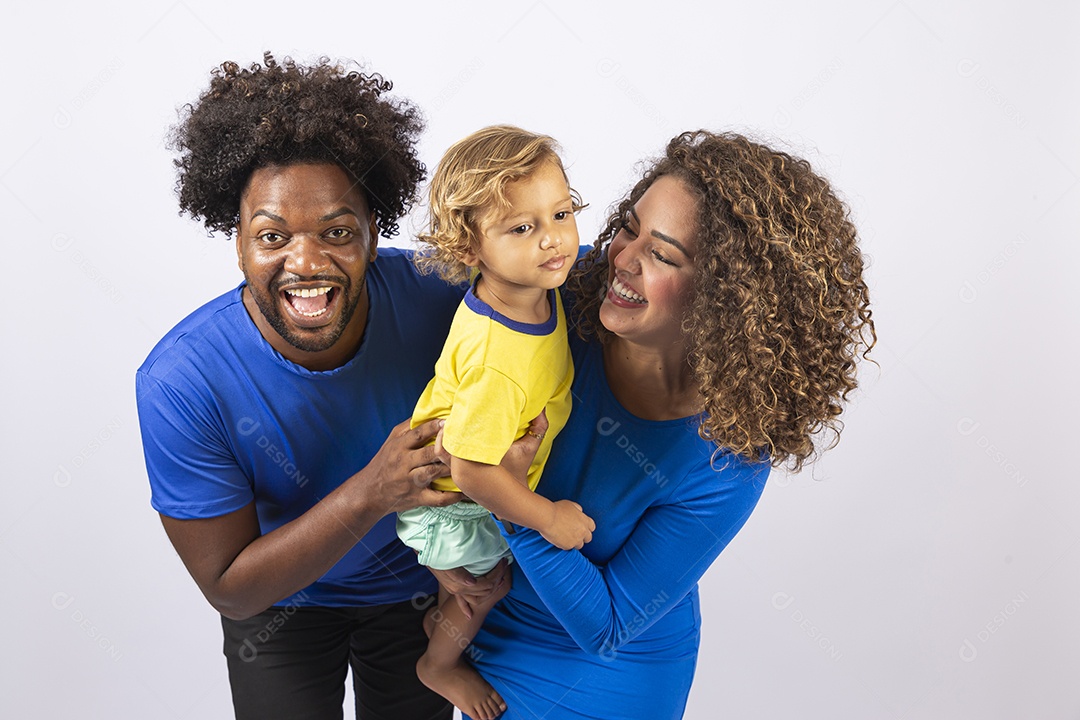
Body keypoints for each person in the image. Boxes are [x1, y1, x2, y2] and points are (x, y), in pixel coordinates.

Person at [135, 53, 515, 720]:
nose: (305, 262)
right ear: (238, 242)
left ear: (373, 235)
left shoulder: (443, 297)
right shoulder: (182, 382)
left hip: (420, 589)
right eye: (272, 235)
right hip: (281, 602)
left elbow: (561, 282)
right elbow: (231, 589)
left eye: (337, 232)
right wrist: (374, 490)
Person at [455, 130, 877, 719]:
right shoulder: (552, 295)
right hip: (478, 630)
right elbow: (428, 271)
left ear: (726, 301)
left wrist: (512, 500)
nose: (622, 259)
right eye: (629, 228)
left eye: (663, 255)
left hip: (608, 677)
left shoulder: (728, 460)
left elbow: (606, 626)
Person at [394, 125, 594, 720]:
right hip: (456, 504)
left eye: (561, 214)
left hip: (468, 484)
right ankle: (439, 664)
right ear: (469, 248)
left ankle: (441, 617)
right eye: (521, 228)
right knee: (486, 591)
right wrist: (548, 519)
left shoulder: (533, 285)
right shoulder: (496, 359)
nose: (553, 239)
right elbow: (471, 470)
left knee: (460, 590)